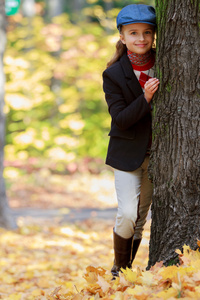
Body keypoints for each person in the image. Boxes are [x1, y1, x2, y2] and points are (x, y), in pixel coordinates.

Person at [102, 4, 160, 278]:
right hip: (126, 154)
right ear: (122, 37)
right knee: (127, 213)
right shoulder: (113, 74)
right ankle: (117, 267)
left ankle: (123, 274)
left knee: (139, 220)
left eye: (147, 32)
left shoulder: (165, 62)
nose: (141, 39)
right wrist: (145, 99)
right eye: (133, 33)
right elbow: (121, 118)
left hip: (157, 155)